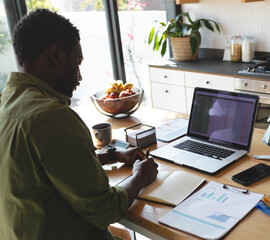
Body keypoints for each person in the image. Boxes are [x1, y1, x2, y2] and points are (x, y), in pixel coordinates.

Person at [0, 9, 158, 240]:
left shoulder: (8, 101)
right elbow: (106, 210)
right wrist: (141, 176)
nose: (80, 76)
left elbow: (46, 171)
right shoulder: (53, 116)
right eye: (77, 62)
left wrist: (111, 155)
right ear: (55, 54)